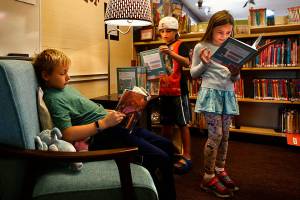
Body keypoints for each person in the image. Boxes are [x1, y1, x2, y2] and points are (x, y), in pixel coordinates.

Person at [33, 48, 176, 200]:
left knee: (166, 145)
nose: (68, 77)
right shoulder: (54, 99)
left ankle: (150, 173)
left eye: (67, 72)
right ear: (46, 75)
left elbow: (89, 109)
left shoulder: (65, 89)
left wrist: (117, 110)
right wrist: (103, 123)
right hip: (106, 135)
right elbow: (67, 134)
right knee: (162, 158)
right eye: (62, 73)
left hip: (115, 125)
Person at [190, 10, 240, 198]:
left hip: (227, 94)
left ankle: (219, 169)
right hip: (211, 95)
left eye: (228, 33)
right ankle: (208, 176)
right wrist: (204, 63)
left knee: (226, 135)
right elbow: (194, 74)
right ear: (211, 29)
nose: (224, 37)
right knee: (216, 135)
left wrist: (235, 72)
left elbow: (236, 78)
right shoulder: (201, 46)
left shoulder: (231, 47)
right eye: (220, 32)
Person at [157, 16, 192, 174]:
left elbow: (187, 62)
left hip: (178, 91)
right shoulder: (161, 47)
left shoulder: (181, 45)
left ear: (176, 31)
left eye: (168, 31)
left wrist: (170, 53)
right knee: (165, 124)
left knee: (183, 124)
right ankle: (166, 152)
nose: (165, 34)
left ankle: (187, 155)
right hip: (163, 91)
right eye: (162, 31)